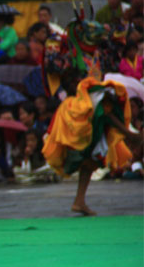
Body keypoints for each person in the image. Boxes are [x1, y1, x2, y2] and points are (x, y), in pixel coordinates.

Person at [43, 72, 140, 216]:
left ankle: (79, 201)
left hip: (84, 106)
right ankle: (79, 200)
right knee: (87, 156)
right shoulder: (71, 55)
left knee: (89, 161)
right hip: (80, 104)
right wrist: (129, 134)